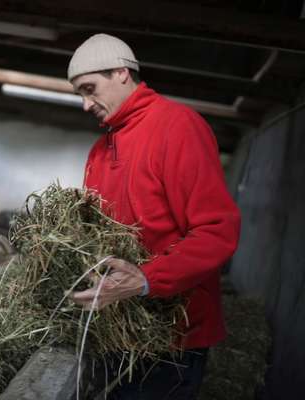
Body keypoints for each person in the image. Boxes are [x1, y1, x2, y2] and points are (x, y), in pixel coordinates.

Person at [67, 34, 241, 399]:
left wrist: (146, 279)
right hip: (113, 327)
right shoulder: (100, 151)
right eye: (79, 94)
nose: (85, 104)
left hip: (171, 337)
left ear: (121, 73)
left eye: (89, 88)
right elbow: (97, 234)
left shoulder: (177, 127)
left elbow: (217, 231)